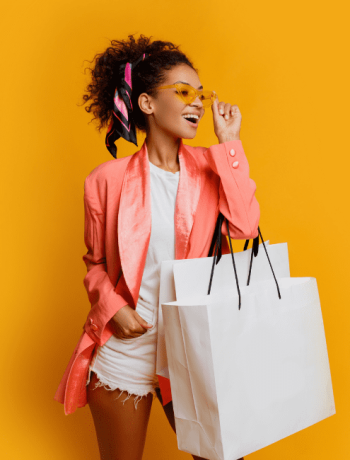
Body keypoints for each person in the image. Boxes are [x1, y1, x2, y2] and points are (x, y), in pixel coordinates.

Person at [54, 33, 260, 460]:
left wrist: (229, 144)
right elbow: (95, 265)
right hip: (126, 347)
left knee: (224, 454)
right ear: (146, 104)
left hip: (190, 346)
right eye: (183, 92)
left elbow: (245, 225)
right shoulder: (105, 180)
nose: (197, 104)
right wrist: (113, 309)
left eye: (200, 94)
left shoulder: (211, 167)